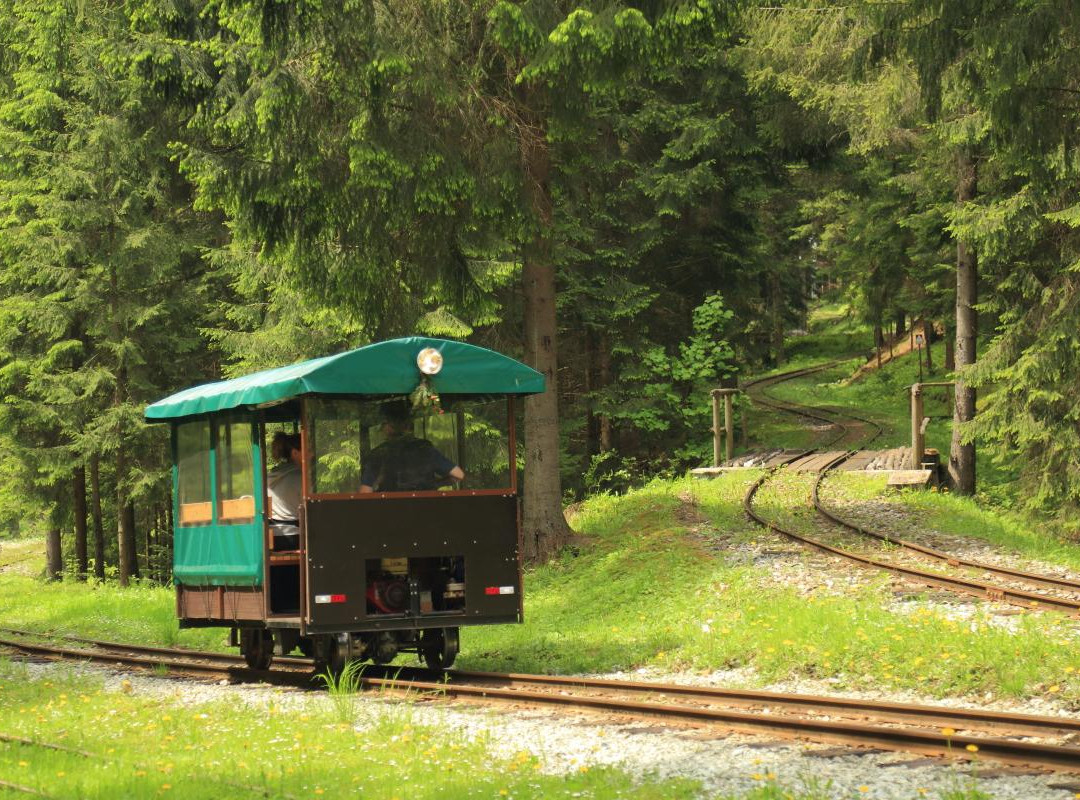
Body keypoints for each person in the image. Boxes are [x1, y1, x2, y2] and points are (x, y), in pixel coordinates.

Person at [359, 401, 464, 493]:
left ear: (387, 427)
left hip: (390, 510)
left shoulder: (379, 454)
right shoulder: (425, 448)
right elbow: (458, 475)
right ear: (408, 426)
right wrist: (434, 484)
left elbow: (365, 491)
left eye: (383, 424)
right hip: (427, 509)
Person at [267, 432, 302, 550]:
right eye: (308, 450)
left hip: (271, 537)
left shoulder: (272, 474)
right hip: (292, 537)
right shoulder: (300, 477)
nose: (312, 454)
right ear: (295, 453)